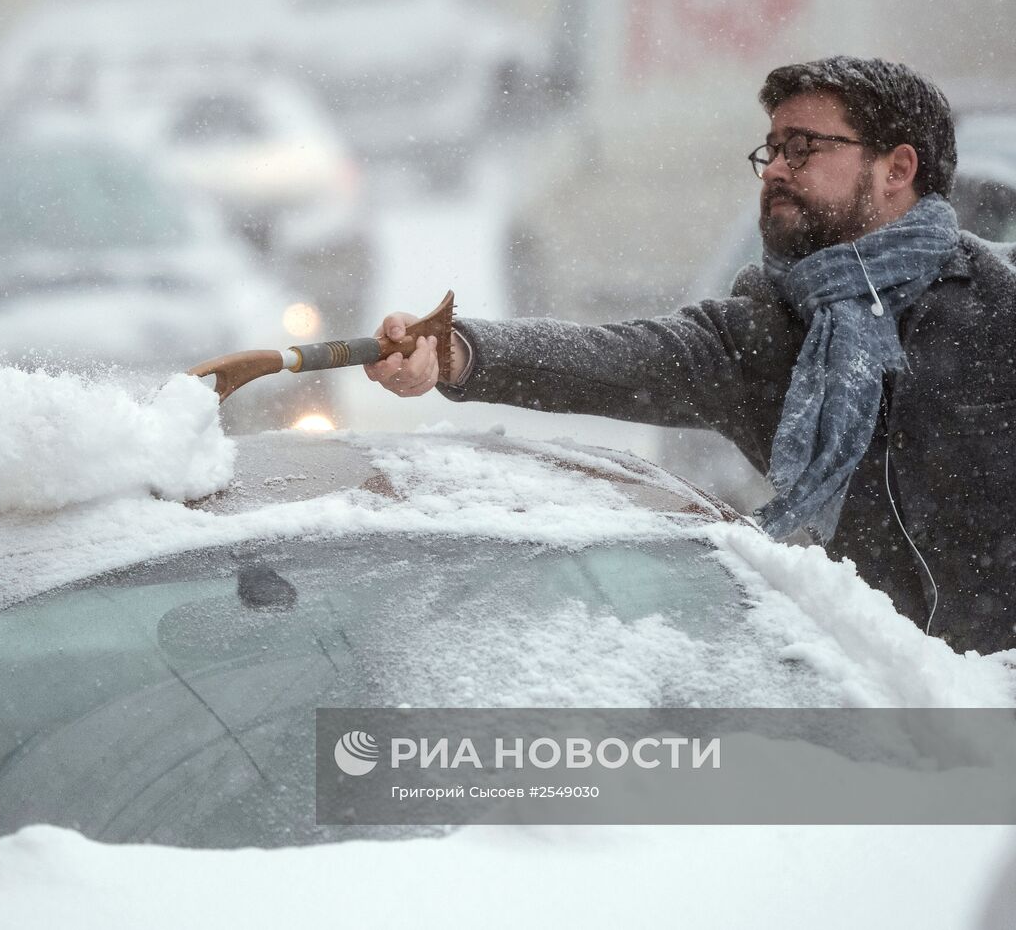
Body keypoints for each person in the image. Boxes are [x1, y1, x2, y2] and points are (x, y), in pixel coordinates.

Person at [365, 56, 1016, 655]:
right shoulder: (763, 334)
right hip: (902, 705)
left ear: (897, 170)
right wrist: (458, 351)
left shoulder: (998, 305)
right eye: (773, 150)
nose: (777, 170)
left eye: (804, 149)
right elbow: (617, 358)